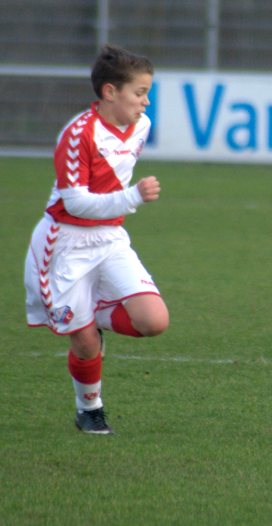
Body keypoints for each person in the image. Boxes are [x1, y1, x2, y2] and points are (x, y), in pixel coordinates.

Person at [23, 44, 169, 434]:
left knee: (154, 321)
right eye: (139, 93)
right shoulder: (77, 135)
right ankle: (89, 408)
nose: (146, 102)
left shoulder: (141, 127)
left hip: (109, 239)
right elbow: (75, 202)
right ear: (110, 92)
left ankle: (92, 314)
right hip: (65, 243)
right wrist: (132, 196)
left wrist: (125, 201)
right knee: (85, 342)